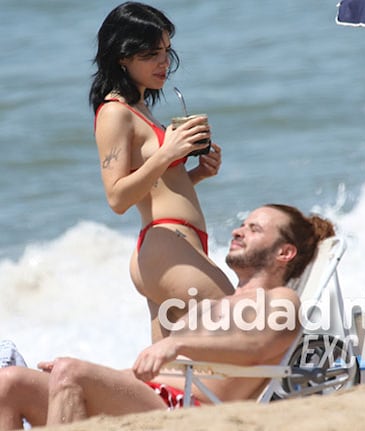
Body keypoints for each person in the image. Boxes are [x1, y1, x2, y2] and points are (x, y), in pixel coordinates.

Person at [0, 204, 336, 429]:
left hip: (191, 411)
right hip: (149, 397)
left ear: (284, 252)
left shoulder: (281, 299)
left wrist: (176, 344)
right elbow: (156, 369)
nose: (238, 231)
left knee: (71, 374)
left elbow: (258, 345)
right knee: (11, 381)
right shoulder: (211, 308)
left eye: (254, 229)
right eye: (241, 225)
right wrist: (99, 374)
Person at [89, 2, 233, 341]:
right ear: (123, 56)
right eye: (152, 53)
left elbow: (155, 188)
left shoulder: (140, 109)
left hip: (172, 246)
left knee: (173, 374)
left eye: (167, 51)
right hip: (166, 246)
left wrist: (195, 175)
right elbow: (117, 197)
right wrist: (168, 152)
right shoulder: (115, 112)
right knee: (246, 320)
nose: (164, 62)